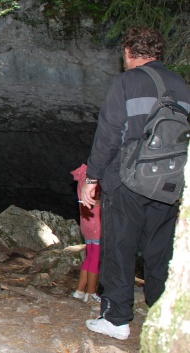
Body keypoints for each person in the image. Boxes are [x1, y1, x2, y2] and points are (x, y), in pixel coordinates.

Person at [80, 27, 190, 340]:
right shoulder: (182, 86)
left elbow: (110, 134)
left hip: (126, 181)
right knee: (160, 253)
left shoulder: (126, 82)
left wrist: (94, 176)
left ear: (128, 53)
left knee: (120, 248)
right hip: (169, 184)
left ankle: (116, 319)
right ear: (159, 53)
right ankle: (162, 317)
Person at [71, 164, 101, 303]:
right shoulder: (92, 176)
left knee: (90, 256)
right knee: (95, 258)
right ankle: (91, 293)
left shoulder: (83, 175)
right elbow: (94, 200)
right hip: (96, 222)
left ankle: (79, 291)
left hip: (86, 221)